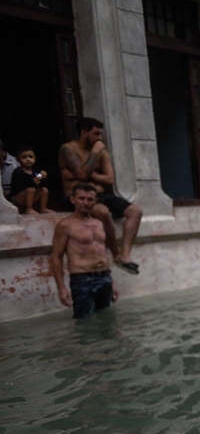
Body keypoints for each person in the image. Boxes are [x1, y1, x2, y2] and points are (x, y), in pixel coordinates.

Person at [59, 118, 142, 274]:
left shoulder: (102, 152)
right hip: (79, 196)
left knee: (135, 211)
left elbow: (109, 179)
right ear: (84, 133)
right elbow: (82, 174)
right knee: (103, 212)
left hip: (101, 194)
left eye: (100, 134)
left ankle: (125, 254)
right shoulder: (68, 149)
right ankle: (116, 254)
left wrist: (84, 175)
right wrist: (94, 154)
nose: (100, 139)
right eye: (96, 133)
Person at [50, 182, 119, 319]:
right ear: (73, 199)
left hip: (104, 277)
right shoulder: (65, 225)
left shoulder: (99, 224)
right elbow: (56, 257)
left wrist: (112, 282)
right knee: (85, 324)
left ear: (95, 201)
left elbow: (101, 254)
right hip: (82, 279)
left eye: (89, 199)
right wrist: (61, 288)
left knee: (106, 320)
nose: (85, 203)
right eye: (81, 198)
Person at [9, 146, 49, 214]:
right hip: (19, 197)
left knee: (44, 190)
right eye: (24, 157)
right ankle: (29, 209)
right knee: (31, 189)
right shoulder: (18, 172)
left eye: (30, 157)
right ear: (18, 159)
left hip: (32, 196)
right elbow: (19, 187)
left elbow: (40, 184)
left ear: (35, 158)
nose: (28, 159)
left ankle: (43, 208)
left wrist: (43, 176)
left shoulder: (36, 171)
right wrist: (32, 182)